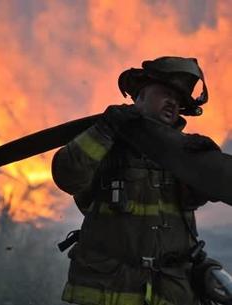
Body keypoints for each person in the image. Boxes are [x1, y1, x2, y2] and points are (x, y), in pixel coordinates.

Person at [52, 56, 218, 305]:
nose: (174, 101)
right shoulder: (107, 141)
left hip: (169, 294)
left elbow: (200, 198)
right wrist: (105, 130)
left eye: (180, 98)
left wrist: (207, 165)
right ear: (140, 95)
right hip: (109, 292)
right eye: (166, 92)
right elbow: (68, 176)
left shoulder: (184, 155)